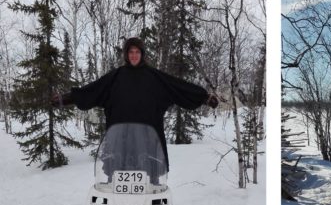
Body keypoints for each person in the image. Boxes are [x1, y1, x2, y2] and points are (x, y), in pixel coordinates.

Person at [52, 37, 218, 170]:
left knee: (151, 184)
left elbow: (178, 87)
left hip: (148, 143)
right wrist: (67, 98)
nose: (134, 55)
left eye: (137, 51)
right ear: (126, 54)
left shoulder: (155, 77)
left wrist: (203, 97)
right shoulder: (115, 77)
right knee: (116, 185)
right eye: (130, 52)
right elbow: (93, 90)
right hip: (119, 142)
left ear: (142, 54)